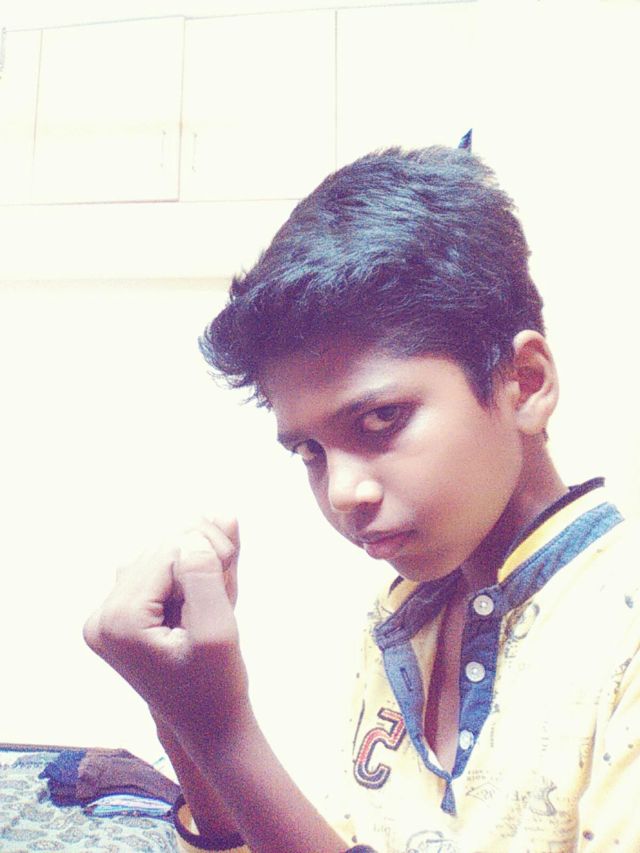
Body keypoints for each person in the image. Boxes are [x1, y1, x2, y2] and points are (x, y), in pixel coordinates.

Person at [84, 145, 640, 853]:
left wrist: (225, 734)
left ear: (524, 383)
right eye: (309, 451)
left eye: (382, 420)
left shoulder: (622, 633)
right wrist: (185, 723)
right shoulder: (404, 612)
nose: (342, 491)